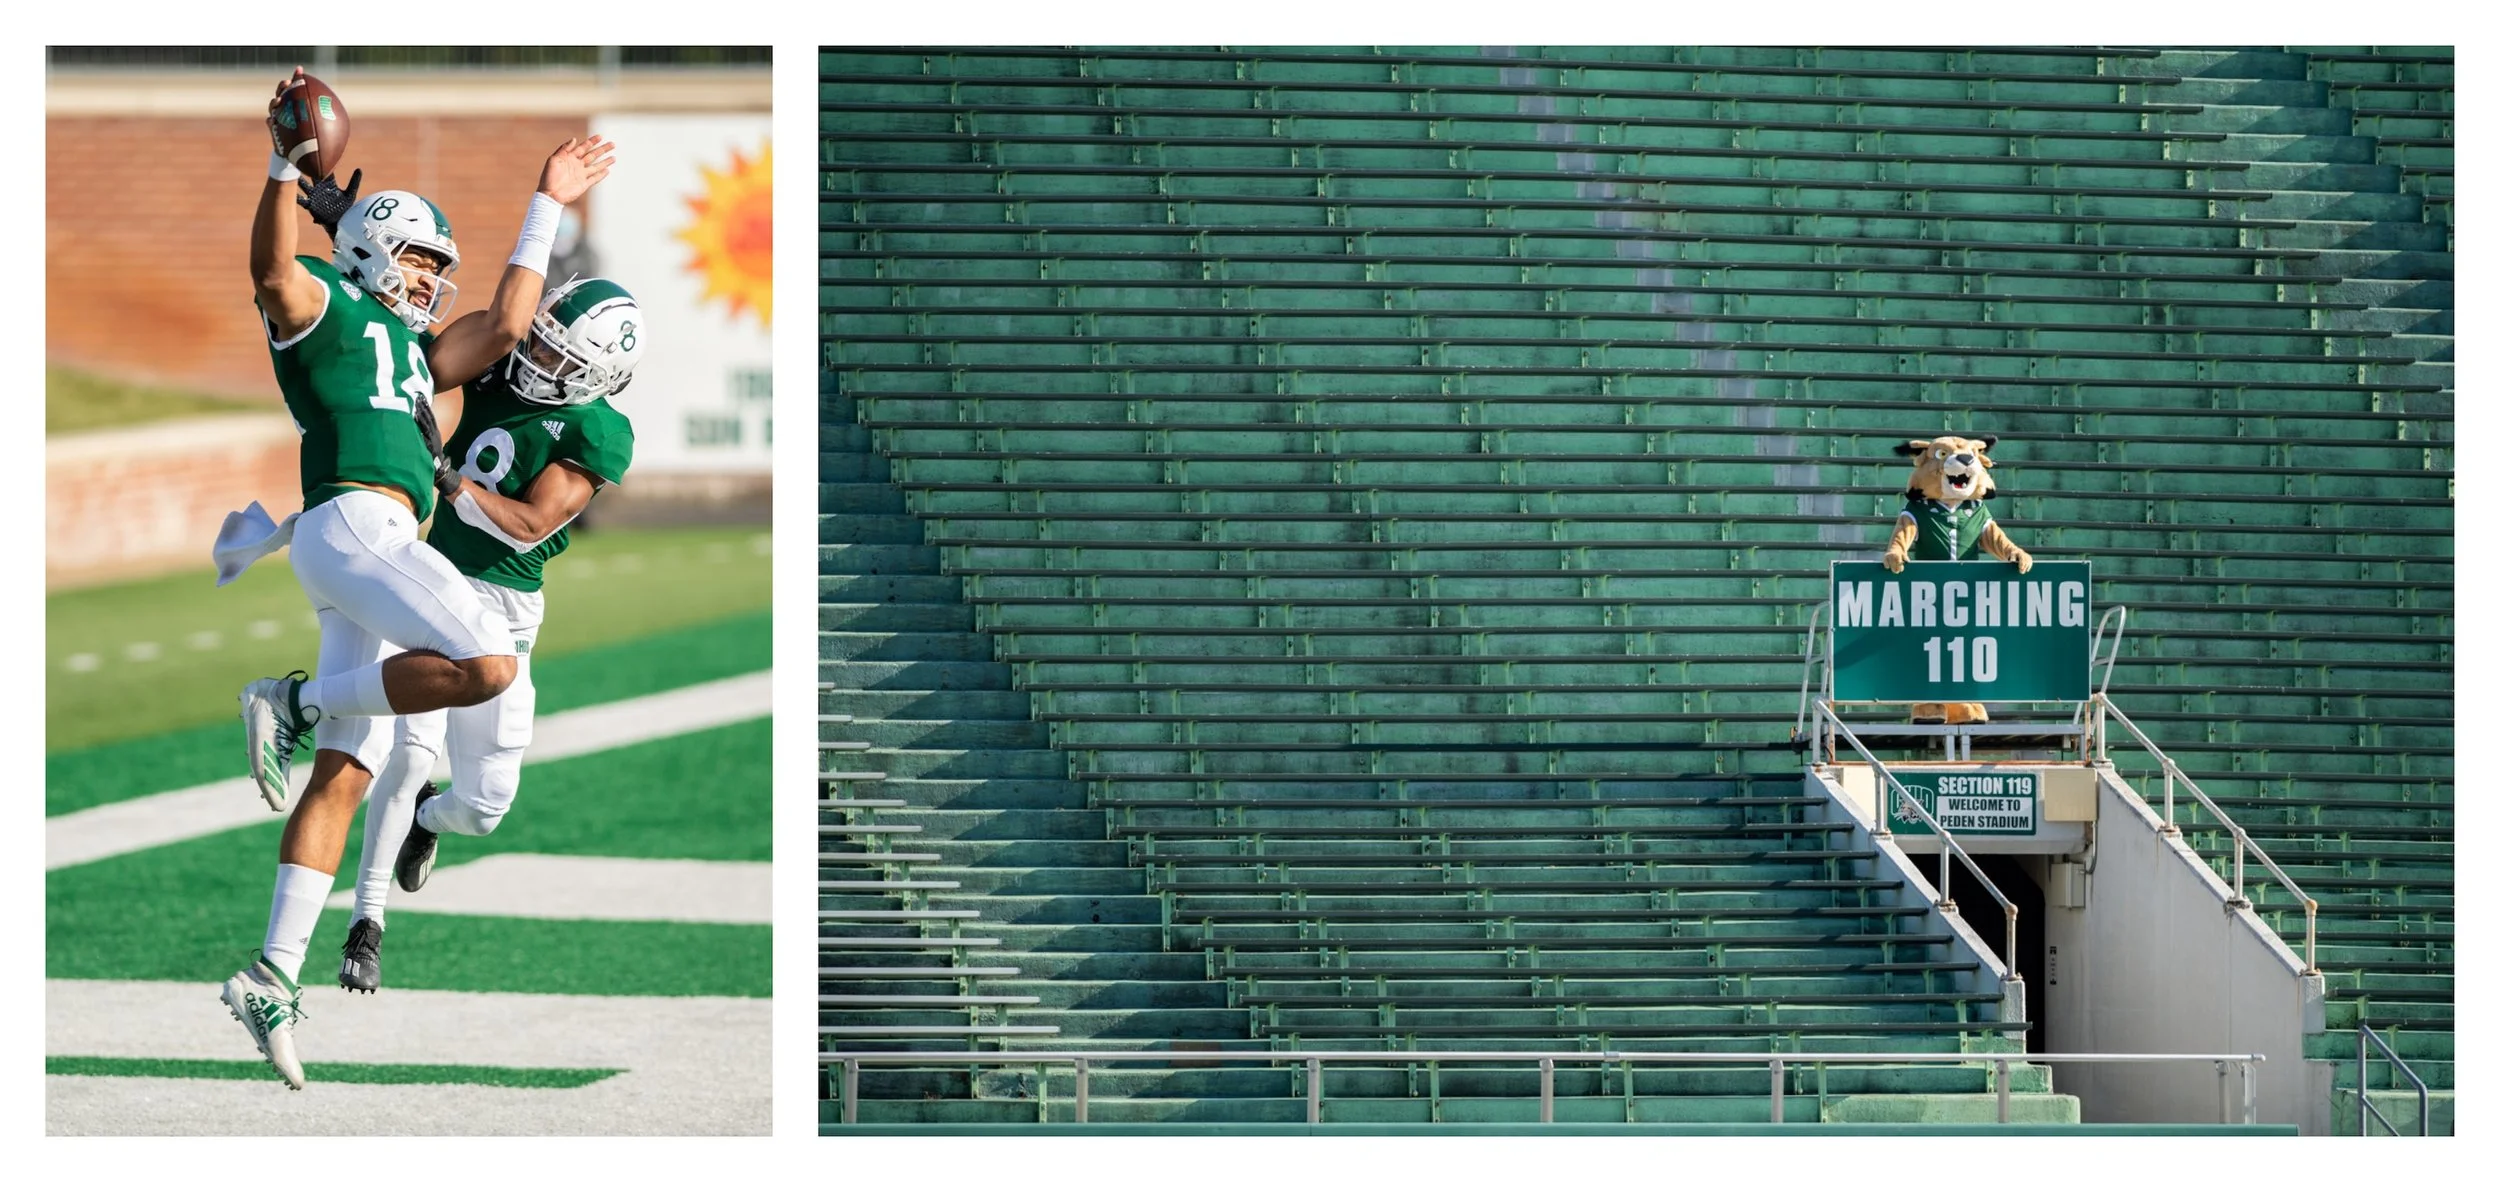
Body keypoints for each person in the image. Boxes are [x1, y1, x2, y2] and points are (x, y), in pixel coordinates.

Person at [217, 66, 614, 1091]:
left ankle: (269, 973)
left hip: (369, 542)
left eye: (437, 264)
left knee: (347, 770)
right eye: (417, 258)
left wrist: (544, 206)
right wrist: (281, 165)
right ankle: (293, 697)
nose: (431, 277)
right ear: (362, 253)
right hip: (360, 526)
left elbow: (511, 324)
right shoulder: (324, 305)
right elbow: (271, 271)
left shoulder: (403, 338)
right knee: (484, 662)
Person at [336, 276, 642, 993]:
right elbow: (410, 345)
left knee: (484, 806)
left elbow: (532, 522)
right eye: (541, 337)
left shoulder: (600, 430)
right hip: (431, 578)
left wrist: (448, 480)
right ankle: (366, 922)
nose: (538, 356)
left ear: (601, 376)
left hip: (504, 613)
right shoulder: (506, 362)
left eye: (561, 357)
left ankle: (430, 820)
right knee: (410, 750)